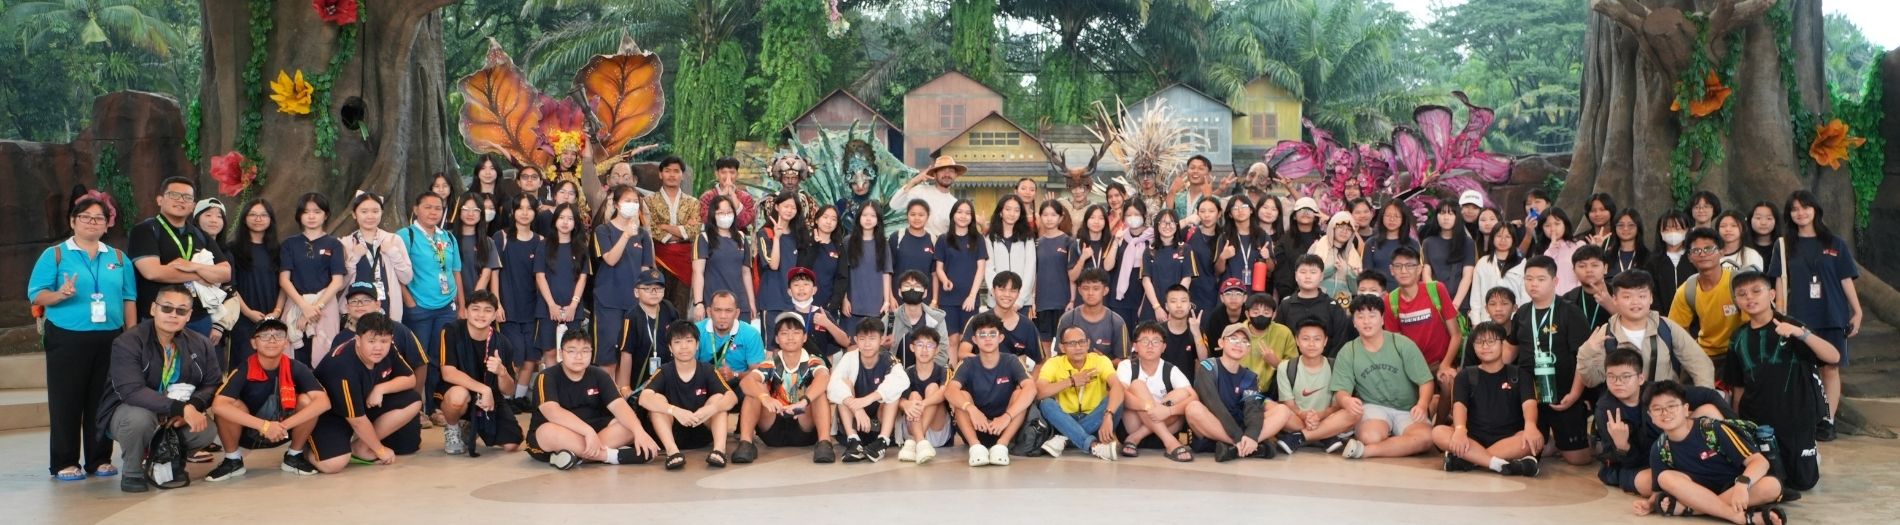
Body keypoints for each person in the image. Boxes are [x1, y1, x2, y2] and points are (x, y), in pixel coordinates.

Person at [31, 195, 138, 481]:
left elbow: (129, 297)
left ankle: (99, 458)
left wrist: (131, 335)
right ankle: (65, 461)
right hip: (67, 337)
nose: (92, 222)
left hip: (110, 338)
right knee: (66, 400)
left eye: (99, 218)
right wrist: (59, 294)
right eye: (85, 217)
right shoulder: (55, 254)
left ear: (107, 224)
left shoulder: (118, 258)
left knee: (102, 400)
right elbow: (36, 294)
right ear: (72, 221)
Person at [100, 285, 224, 492]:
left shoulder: (201, 344)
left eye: (181, 311)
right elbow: (132, 391)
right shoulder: (128, 342)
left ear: (189, 316)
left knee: (206, 429)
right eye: (167, 308)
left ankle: (169, 461)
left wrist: (193, 406)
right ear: (153, 309)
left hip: (176, 411)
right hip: (130, 411)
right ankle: (132, 471)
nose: (173, 315)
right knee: (139, 419)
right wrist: (180, 408)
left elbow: (212, 383)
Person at [1725, 271, 1835, 491]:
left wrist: (1801, 334)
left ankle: (1810, 453)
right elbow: (1738, 386)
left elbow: (1833, 357)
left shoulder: (1792, 326)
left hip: (1795, 417)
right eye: (1742, 294)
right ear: (1736, 301)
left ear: (1772, 294)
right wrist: (1738, 423)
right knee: (1770, 480)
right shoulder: (1738, 337)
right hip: (1757, 420)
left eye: (1756, 291)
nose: (1750, 297)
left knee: (1803, 482)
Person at [1767, 190, 1861, 442]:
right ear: (1789, 214)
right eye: (1795, 209)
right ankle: (1804, 418)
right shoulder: (1783, 245)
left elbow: (1846, 279)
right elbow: (1779, 281)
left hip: (1832, 314)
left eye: (1805, 207)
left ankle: (1827, 421)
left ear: (1815, 210)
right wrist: (1780, 316)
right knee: (1801, 370)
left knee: (1830, 368)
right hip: (1798, 317)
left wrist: (1858, 311)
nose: (1801, 213)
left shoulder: (1835, 243)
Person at [1631, 381, 1786, 525]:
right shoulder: (1659, 448)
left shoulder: (1711, 429)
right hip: (1702, 491)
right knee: (1665, 478)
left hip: (1737, 489)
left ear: (1685, 409)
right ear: (1651, 416)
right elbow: (1657, 492)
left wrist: (1742, 485)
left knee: (1772, 486)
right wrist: (1649, 504)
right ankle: (1740, 517)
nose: (1665, 413)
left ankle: (1692, 510)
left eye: (1672, 406)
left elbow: (1759, 462)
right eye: (1657, 409)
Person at [1594, 347, 1733, 496]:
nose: (1618, 382)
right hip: (1638, 464)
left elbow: (1709, 395)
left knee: (1709, 410)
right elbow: (1628, 463)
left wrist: (1737, 427)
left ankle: (1709, 476)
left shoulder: (1656, 392)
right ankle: (1705, 488)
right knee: (1652, 482)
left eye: (1625, 376)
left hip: (1673, 451)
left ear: (1640, 378)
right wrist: (1622, 446)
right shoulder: (1605, 410)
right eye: (1611, 377)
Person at [206, 319, 328, 480]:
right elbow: (218, 406)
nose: (272, 340)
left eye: (279, 335)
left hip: (283, 432)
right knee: (230, 404)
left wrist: (280, 427)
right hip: (248, 433)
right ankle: (233, 459)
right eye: (264, 335)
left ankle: (294, 456)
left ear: (286, 342)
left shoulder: (296, 367)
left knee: (307, 401)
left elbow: (323, 402)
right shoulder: (243, 369)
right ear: (254, 343)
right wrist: (264, 426)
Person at [525, 329, 662, 470]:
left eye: (585, 351)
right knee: (548, 432)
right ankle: (611, 456)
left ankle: (575, 456)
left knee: (629, 426)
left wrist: (639, 432)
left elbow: (619, 405)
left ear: (591, 353)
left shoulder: (599, 375)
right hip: (561, 431)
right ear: (561, 353)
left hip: (596, 432)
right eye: (572, 351)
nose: (579, 357)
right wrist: (587, 431)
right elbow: (552, 412)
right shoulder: (547, 376)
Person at [309, 312, 423, 474]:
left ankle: (361, 447)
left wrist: (380, 389)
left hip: (361, 405)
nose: (378, 347)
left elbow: (410, 379)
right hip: (329, 414)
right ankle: (303, 451)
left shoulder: (388, 349)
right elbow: (357, 420)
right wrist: (380, 450)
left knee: (413, 400)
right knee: (334, 464)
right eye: (371, 341)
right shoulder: (343, 366)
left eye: (384, 341)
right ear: (358, 340)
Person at [1430, 321, 1542, 476]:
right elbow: (1459, 406)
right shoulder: (1465, 376)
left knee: (1534, 439)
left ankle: (1469, 460)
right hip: (1472, 439)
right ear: (1473, 346)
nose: (1485, 346)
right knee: (1438, 432)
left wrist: (1530, 425)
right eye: (1479, 342)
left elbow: (1529, 404)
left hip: (1509, 439)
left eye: (1491, 341)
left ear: (1503, 344)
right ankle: (1499, 464)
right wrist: (1460, 430)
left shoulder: (1519, 374)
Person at [1512, 255, 1595, 466]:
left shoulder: (1569, 311)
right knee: (1526, 450)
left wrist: (1575, 394)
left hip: (1564, 395)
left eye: (1541, 279)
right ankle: (1549, 441)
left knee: (1578, 460)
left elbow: (1584, 358)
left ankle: (1586, 441)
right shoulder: (1522, 313)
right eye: (1529, 279)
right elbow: (1509, 351)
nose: (1533, 284)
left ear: (1555, 281)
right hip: (1531, 396)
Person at [1333, 295, 1435, 460]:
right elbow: (1341, 390)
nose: (1366, 321)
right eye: (1360, 317)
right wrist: (1346, 401)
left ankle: (1366, 451)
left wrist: (1422, 404)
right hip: (1373, 407)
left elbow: (1425, 381)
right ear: (1354, 322)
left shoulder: (1402, 344)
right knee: (1370, 437)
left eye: (1372, 316)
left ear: (1382, 319)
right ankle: (1394, 445)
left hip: (1408, 409)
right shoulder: (1348, 350)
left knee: (1426, 439)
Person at [1579, 270, 1718, 388]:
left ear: (1651, 298)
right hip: (1622, 406)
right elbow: (1591, 381)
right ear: (1615, 299)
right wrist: (1587, 352)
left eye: (1642, 296)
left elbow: (1701, 364)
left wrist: (1704, 398)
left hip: (1664, 404)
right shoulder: (1606, 333)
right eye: (1627, 297)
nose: (1635, 302)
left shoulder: (1666, 327)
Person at [129, 177, 232, 335]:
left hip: (198, 318)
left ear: (193, 206)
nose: (181, 200)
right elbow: (152, 272)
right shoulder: (145, 230)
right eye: (174, 195)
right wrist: (200, 275)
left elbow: (225, 272)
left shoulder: (200, 235)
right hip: (160, 318)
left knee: (199, 352)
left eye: (187, 197)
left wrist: (193, 266)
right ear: (160, 200)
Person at [732, 313, 837, 464]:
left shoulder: (813, 361)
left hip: (803, 422)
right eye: (784, 333)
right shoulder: (770, 363)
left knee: (818, 392)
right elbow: (746, 382)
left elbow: (824, 377)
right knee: (754, 389)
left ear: (805, 337)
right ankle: (746, 443)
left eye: (796, 332)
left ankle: (824, 442)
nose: (790, 337)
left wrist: (804, 402)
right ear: (776, 339)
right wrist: (765, 397)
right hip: (773, 424)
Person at [433, 291, 524, 456]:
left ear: (495, 315)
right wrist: (484, 389)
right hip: (459, 391)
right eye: (475, 309)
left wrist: (502, 372)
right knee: (458, 397)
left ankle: (470, 426)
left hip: (488, 400)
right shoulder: (452, 331)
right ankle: (453, 428)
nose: (481, 315)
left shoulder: (503, 343)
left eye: (487, 310)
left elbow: (509, 391)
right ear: (466, 311)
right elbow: (448, 373)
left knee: (512, 444)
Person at [638, 321, 737, 470]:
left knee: (718, 399)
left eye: (689, 341)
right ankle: (672, 453)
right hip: (672, 433)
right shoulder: (664, 371)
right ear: (670, 347)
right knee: (657, 400)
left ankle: (719, 451)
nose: (684, 346)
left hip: (702, 432)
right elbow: (643, 398)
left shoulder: (708, 370)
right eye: (677, 342)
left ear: (697, 345)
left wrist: (711, 409)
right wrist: (674, 411)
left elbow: (732, 397)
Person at [946, 311, 1038, 467]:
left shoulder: (1012, 360)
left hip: (1005, 426)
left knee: (1020, 393)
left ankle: (1002, 446)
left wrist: (1007, 416)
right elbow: (949, 391)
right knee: (961, 395)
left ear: (1000, 338)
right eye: (982, 334)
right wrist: (972, 410)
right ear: (974, 340)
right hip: (976, 426)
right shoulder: (968, 363)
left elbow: (1031, 389)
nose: (987, 338)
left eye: (992, 334)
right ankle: (975, 447)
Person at [1187, 324, 1277, 461]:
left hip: (1239, 426)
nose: (1239, 344)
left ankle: (1236, 448)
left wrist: (1252, 435)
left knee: (1282, 411)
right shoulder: (1208, 367)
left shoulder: (1249, 376)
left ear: (1248, 349)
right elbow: (1214, 404)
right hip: (1213, 426)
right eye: (1233, 339)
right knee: (1193, 408)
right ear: (1221, 343)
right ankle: (1245, 446)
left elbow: (1253, 409)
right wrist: (1238, 437)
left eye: (1244, 341)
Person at [592, 185, 655, 380]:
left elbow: (646, 270)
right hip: (609, 302)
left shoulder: (643, 235)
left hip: (633, 303)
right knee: (608, 356)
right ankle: (607, 394)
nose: (632, 205)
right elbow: (610, 259)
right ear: (617, 204)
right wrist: (626, 235)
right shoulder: (603, 230)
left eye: (635, 202)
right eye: (628, 201)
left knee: (626, 355)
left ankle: (623, 394)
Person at [1035, 325, 1126, 461]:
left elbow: (1117, 387)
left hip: (1097, 420)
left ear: (1088, 343)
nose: (1078, 347)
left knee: (1116, 399)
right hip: (1064, 420)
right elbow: (1039, 392)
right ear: (1062, 347)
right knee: (1046, 404)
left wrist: (1108, 415)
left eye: (1082, 342)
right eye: (1071, 343)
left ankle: (1065, 438)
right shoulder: (1054, 363)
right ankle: (1093, 445)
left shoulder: (1100, 360)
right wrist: (1071, 381)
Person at [1384, 245, 1462, 401]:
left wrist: (1445, 364)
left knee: (1448, 382)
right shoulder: (1390, 300)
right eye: (1398, 266)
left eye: (1410, 265)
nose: (1404, 271)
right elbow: (1396, 345)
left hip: (1440, 361)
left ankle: (1439, 416)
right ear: (1391, 270)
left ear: (1419, 269)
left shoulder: (1436, 289)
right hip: (1412, 367)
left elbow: (1456, 334)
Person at [828, 316, 910, 462]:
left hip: (880, 421)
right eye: (862, 339)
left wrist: (867, 399)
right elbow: (832, 386)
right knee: (843, 385)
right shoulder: (849, 358)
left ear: (881, 339)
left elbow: (902, 381)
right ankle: (853, 441)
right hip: (855, 422)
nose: (867, 344)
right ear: (856, 340)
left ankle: (882, 441)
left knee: (893, 391)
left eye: (872, 338)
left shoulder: (888, 359)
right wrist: (857, 408)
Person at [279, 193, 349, 363]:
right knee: (294, 354)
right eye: (306, 212)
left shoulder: (334, 244)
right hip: (296, 305)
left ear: (325, 215)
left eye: (317, 212)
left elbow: (337, 281)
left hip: (325, 306)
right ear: (299, 215)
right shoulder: (289, 244)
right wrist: (304, 307)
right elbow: (284, 280)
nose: (311, 216)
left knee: (325, 356)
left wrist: (316, 308)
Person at [1273, 320, 1358, 454]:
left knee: (1354, 412)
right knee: (1277, 409)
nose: (1311, 344)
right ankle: (1324, 436)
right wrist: (1305, 415)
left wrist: (1319, 416)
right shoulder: (1286, 367)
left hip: (1327, 418)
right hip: (1297, 419)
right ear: (1297, 340)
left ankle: (1301, 436)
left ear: (1325, 341)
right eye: (1306, 339)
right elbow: (1290, 405)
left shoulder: (1336, 366)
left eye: (1317, 339)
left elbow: (1336, 406)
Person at [1119, 321, 1197, 461]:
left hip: (1153, 433)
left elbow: (1194, 397)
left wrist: (1168, 411)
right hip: (1133, 426)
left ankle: (1137, 437)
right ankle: (1171, 443)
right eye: (1145, 341)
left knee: (1183, 393)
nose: (1150, 346)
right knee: (1137, 385)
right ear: (1135, 346)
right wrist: (1149, 407)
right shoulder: (1126, 366)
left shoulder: (1171, 369)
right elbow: (1120, 396)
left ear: (1163, 347)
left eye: (1156, 341)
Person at [1669, 228, 1742, 369]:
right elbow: (1676, 330)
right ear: (1689, 257)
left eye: (1709, 249)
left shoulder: (1737, 283)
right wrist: (1691, 354)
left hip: (1738, 353)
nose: (1702, 254)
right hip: (1703, 355)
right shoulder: (1687, 290)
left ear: (1722, 252)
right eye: (1696, 250)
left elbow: (1754, 322)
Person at [225, 199, 284, 370]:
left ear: (271, 219)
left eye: (263, 215)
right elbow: (230, 286)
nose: (258, 219)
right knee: (244, 367)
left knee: (272, 367)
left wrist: (277, 312)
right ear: (244, 218)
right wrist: (248, 312)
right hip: (243, 318)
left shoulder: (278, 250)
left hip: (272, 318)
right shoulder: (233, 249)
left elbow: (284, 285)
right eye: (253, 214)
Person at [536, 203, 593, 373]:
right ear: (555, 221)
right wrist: (551, 305)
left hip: (572, 309)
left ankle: (570, 386)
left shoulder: (581, 247)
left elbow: (582, 278)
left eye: (570, 218)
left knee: (572, 350)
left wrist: (573, 305)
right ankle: (551, 385)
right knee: (550, 351)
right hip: (547, 307)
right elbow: (540, 276)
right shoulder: (544, 245)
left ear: (575, 223)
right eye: (561, 217)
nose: (565, 222)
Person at [342, 192, 413, 322]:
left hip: (388, 307)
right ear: (354, 214)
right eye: (364, 211)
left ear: (382, 212)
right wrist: (354, 257)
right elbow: (341, 283)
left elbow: (407, 278)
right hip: (356, 310)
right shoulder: (346, 243)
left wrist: (393, 253)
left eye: (375, 211)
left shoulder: (394, 240)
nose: (370, 216)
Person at [647, 156, 702, 312]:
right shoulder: (648, 201)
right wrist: (681, 230)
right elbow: (650, 228)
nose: (672, 175)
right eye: (667, 171)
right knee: (658, 305)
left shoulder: (693, 202)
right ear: (660, 174)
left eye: (676, 171)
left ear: (682, 175)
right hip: (658, 258)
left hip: (684, 259)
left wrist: (665, 227)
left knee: (680, 306)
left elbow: (694, 230)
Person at [894, 324, 952, 463]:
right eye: (920, 344)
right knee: (914, 396)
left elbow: (943, 393)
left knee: (933, 388)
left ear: (937, 350)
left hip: (937, 431)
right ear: (912, 347)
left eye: (930, 345)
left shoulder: (944, 370)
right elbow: (896, 399)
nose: (924, 349)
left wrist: (923, 404)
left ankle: (916, 441)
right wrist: (906, 404)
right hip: (911, 428)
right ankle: (920, 441)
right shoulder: (905, 373)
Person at [692, 196, 756, 321]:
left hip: (740, 304)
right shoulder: (704, 238)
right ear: (713, 215)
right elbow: (698, 273)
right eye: (721, 213)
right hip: (714, 304)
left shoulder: (742, 238)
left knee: (740, 334)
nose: (726, 216)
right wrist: (698, 303)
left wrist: (751, 303)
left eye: (729, 212)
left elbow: (746, 272)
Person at [935, 199, 989, 347]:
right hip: (948, 298)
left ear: (972, 217)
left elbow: (981, 269)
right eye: (959, 212)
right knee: (951, 339)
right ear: (953, 214)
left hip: (970, 298)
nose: (963, 216)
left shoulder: (978, 239)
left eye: (967, 213)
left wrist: (972, 296)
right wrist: (945, 280)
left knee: (966, 340)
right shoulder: (943, 239)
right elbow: (939, 268)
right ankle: (952, 364)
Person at [618, 269, 682, 391]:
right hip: (640, 379)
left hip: (668, 374)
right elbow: (626, 353)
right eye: (647, 288)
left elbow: (678, 338)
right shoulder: (631, 317)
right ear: (636, 292)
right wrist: (625, 387)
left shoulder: (669, 309)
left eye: (658, 288)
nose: (654, 292)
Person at [1277, 255, 1351, 357]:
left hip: (1326, 363)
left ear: (1321, 276)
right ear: (1296, 276)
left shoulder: (1333, 307)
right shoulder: (1285, 306)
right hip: (1292, 364)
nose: (1308, 276)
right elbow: (1279, 339)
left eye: (1313, 272)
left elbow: (1340, 341)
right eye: (1303, 272)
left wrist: (1328, 363)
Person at [959, 271, 1040, 363]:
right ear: (993, 291)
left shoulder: (1027, 325)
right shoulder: (977, 320)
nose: (1007, 294)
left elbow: (1040, 361)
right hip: (981, 371)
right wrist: (991, 362)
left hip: (1014, 372)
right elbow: (962, 353)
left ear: (1018, 294)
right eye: (1002, 289)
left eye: (1013, 291)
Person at [1034, 201, 1084, 345]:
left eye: (1053, 215)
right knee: (1044, 343)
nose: (1049, 219)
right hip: (1042, 302)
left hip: (1063, 302)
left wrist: (1072, 300)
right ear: (1040, 218)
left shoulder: (1069, 242)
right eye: (1045, 215)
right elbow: (1034, 274)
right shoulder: (1036, 243)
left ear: (1061, 218)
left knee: (1065, 342)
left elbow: (1072, 275)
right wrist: (1033, 299)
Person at [1056, 268, 1129, 360]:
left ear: (1105, 291)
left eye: (1096, 289)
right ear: (1079, 290)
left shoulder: (1117, 322)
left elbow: (1124, 360)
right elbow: (1060, 356)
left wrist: (1101, 362)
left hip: (1106, 369)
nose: (1090, 293)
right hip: (1072, 369)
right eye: (1086, 288)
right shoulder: (1067, 319)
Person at [696, 291, 767, 384]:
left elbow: (758, 374)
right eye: (717, 310)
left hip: (739, 384)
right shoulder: (696, 331)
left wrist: (735, 375)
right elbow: (686, 367)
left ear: (737, 313)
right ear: (709, 312)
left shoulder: (751, 334)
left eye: (728, 310)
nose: (723, 316)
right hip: (704, 383)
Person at [842, 201, 893, 330]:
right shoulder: (848, 241)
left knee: (872, 339)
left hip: (876, 306)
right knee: (850, 340)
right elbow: (842, 273)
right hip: (852, 306)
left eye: (873, 215)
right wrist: (844, 299)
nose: (868, 219)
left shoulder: (883, 243)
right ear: (859, 217)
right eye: (865, 215)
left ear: (878, 219)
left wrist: (887, 301)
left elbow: (886, 273)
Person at [755, 191, 804, 325]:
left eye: (793, 208)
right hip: (772, 300)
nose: (789, 210)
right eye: (786, 206)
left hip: (794, 301)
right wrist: (777, 238)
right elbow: (774, 265)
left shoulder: (799, 235)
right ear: (777, 207)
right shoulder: (765, 233)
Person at [1421, 202, 1478, 314]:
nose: (1446, 217)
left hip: (1460, 304)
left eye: (1451, 213)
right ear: (1436, 216)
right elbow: (1426, 274)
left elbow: (1467, 276)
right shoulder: (1428, 242)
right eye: (1442, 213)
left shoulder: (1468, 243)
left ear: (1458, 217)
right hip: (1434, 303)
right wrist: (1436, 301)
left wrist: (1454, 305)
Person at [1104, 200, 1153, 323]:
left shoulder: (1153, 238)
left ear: (1144, 215)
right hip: (1121, 297)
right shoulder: (1120, 236)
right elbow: (1107, 266)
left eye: (1136, 214)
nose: (1132, 218)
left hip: (1145, 296)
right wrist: (1116, 242)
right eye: (1128, 215)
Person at [987, 195, 1038, 313]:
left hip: (1022, 303)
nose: (1012, 214)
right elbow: (988, 270)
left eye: (1016, 210)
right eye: (1008, 209)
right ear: (1000, 212)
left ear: (1021, 214)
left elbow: (1030, 269)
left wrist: (1019, 300)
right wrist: (999, 297)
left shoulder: (1027, 238)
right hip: (996, 303)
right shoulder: (990, 238)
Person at [888, 270, 950, 366]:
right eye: (907, 286)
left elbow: (942, 355)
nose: (912, 289)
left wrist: (920, 370)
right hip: (896, 373)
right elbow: (879, 353)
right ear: (899, 292)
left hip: (928, 373)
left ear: (925, 293)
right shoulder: (890, 319)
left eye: (917, 286)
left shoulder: (937, 319)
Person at [890, 155, 962, 237]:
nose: (947, 174)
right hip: (917, 241)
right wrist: (913, 181)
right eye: (942, 170)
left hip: (941, 244)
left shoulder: (955, 204)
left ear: (955, 175)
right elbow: (894, 204)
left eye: (951, 171)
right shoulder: (921, 191)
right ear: (935, 174)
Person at [1239, 293, 1296, 391]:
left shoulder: (1284, 333)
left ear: (1273, 315)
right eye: (1255, 312)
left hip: (1273, 390)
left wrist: (1277, 363)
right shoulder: (1236, 332)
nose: (1261, 315)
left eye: (1266, 312)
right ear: (1247, 314)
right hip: (1239, 387)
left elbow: (1295, 367)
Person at [1214, 196, 1273, 291]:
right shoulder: (1224, 237)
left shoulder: (1262, 236)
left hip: (1256, 293)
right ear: (1230, 214)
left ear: (1251, 210)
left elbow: (1271, 269)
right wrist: (1222, 257)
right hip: (1230, 292)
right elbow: (1218, 271)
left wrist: (1267, 258)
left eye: (1244, 206)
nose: (1240, 210)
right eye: (1235, 208)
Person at [1644, 210, 1696, 312]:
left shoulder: (1694, 258)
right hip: (1662, 317)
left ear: (1687, 230)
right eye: (1667, 229)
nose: (1672, 233)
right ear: (1660, 232)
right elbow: (1650, 291)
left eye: (1677, 228)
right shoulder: (1652, 262)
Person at [1470, 222, 1526, 316]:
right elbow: (1476, 296)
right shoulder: (1482, 263)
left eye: (1507, 237)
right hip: (1487, 319)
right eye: (1499, 236)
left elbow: (1525, 296)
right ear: (1492, 238)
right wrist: (1476, 320)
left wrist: (1523, 319)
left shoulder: (1522, 264)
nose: (1503, 240)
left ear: (1513, 239)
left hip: (1515, 318)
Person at [892, 199, 941, 306]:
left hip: (925, 299)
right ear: (907, 215)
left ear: (927, 217)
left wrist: (934, 300)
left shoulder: (933, 240)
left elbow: (935, 274)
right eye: (913, 214)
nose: (917, 218)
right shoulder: (897, 237)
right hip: (899, 298)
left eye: (921, 215)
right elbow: (888, 271)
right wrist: (891, 298)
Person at [452, 192, 501, 298]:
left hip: (478, 301)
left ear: (481, 213)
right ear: (459, 211)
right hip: (451, 300)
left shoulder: (488, 242)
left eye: (476, 210)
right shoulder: (448, 239)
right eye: (466, 209)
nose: (471, 214)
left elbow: (486, 275)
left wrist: (472, 303)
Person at [1311, 211, 1366, 300]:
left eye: (1349, 229)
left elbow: (1355, 290)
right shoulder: (1317, 246)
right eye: (1340, 227)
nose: (1344, 231)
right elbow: (1308, 276)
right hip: (1318, 300)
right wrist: (1331, 269)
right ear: (1332, 227)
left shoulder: (1353, 254)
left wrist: (1350, 274)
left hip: (1343, 303)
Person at [1156, 285, 1207, 376]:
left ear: (1189, 305)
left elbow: (1204, 360)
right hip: (1161, 382)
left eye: (1183, 301)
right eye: (1173, 301)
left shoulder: (1197, 329)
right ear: (1166, 306)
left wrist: (1196, 334)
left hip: (1188, 383)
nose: (1179, 305)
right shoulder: (1157, 331)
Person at [1564, 245, 1615, 331]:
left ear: (1605, 268)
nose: (1589, 270)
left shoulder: (1619, 294)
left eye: (1594, 265)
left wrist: (1611, 306)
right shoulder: (1567, 299)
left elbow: (1634, 325)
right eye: (1582, 266)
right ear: (1574, 271)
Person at [1362, 201, 1417, 279]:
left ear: (1403, 219)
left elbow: (1418, 274)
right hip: (1378, 286)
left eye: (1396, 216)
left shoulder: (1413, 244)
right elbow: (1367, 275)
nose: (1392, 219)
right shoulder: (1371, 243)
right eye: (1388, 215)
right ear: (1382, 217)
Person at [698, 156, 756, 233]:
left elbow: (744, 222)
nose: (728, 176)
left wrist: (733, 195)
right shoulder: (706, 197)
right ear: (717, 174)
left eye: (732, 172)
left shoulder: (746, 198)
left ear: (737, 174)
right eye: (723, 172)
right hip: (712, 237)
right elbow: (706, 220)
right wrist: (722, 197)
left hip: (738, 238)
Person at [1184, 197, 1223, 307]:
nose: (1206, 215)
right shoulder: (1190, 232)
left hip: (1211, 294)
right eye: (1202, 211)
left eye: (1211, 211)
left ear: (1219, 214)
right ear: (1197, 213)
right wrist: (1186, 221)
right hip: (1186, 291)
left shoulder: (1223, 238)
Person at [1172, 155, 1220, 223]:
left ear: (1208, 174)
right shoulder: (1177, 197)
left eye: (1201, 169)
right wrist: (1172, 191)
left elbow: (1217, 224)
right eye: (1192, 168)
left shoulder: (1217, 201)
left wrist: (1208, 198)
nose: (1195, 171)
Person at [1608, 209, 1650, 282]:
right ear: (1615, 228)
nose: (1625, 228)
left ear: (1638, 227)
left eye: (1631, 225)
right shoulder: (1607, 256)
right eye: (1621, 225)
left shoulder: (1649, 257)